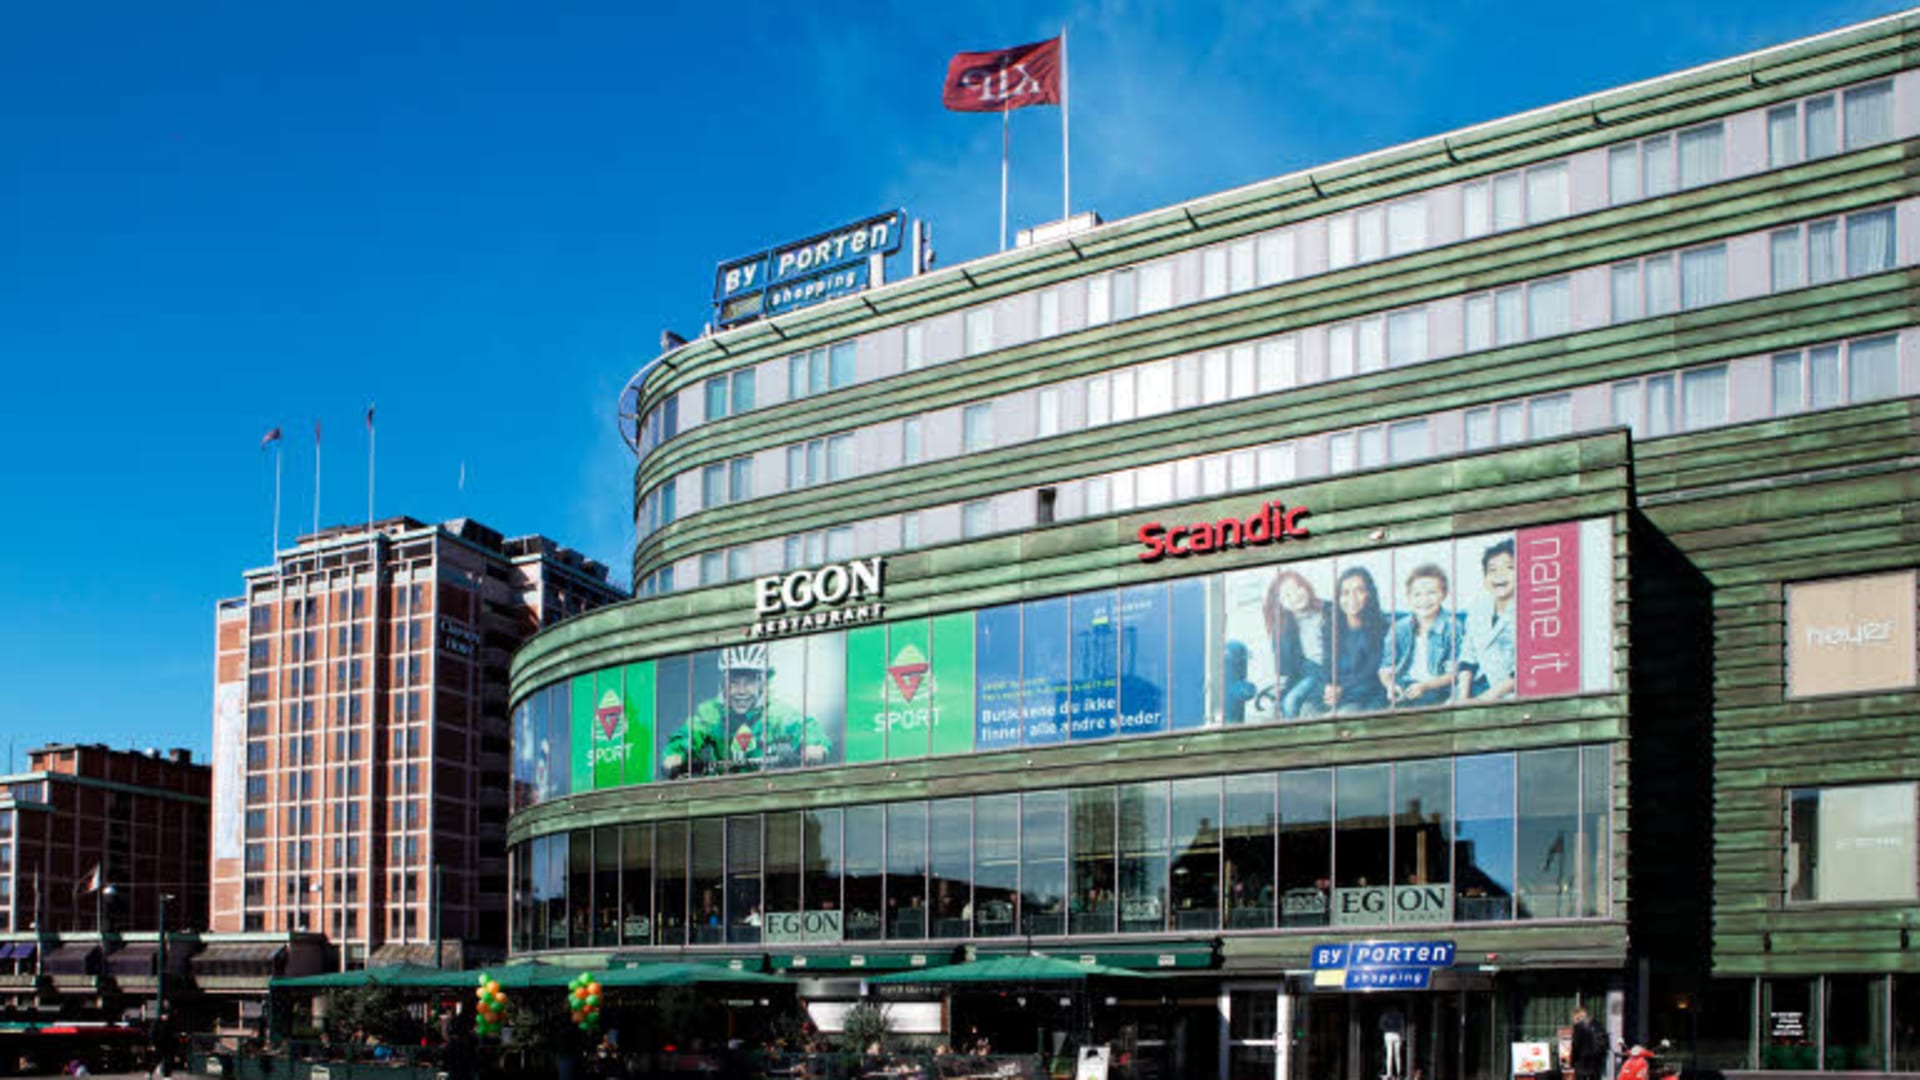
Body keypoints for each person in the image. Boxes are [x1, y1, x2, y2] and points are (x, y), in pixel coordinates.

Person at [661, 644, 831, 778]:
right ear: (723, 684)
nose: (741, 691)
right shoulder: (711, 713)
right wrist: (676, 754)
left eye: (749, 682)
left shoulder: (774, 713)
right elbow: (690, 733)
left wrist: (813, 745)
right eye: (734, 683)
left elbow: (802, 726)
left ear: (761, 684)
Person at [1380, 562, 1459, 709]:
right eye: (1417, 594)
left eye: (1431, 593)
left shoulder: (1452, 627)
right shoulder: (1399, 628)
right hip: (1405, 686)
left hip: (1438, 688)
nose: (1424, 600)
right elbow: (1385, 667)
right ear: (1409, 597)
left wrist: (1425, 687)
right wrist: (1390, 685)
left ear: (1444, 594)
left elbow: (1455, 673)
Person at [1264, 569, 1332, 719]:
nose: (1295, 596)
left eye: (1298, 588)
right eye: (1287, 595)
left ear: (1306, 586)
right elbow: (1285, 668)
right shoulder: (1284, 626)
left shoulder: (1328, 609)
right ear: (1280, 604)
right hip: (1310, 673)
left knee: (1291, 701)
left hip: (1333, 670)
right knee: (1288, 703)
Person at [1456, 539, 1518, 702]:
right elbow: (1467, 655)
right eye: (1492, 570)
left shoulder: (1532, 611)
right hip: (1476, 687)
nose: (1499, 575)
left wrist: (1480, 701)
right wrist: (1463, 698)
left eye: (1509, 568)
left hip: (1510, 694)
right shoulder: (1478, 608)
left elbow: (1524, 670)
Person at [1325, 567, 1390, 714]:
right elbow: (1326, 664)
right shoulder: (1331, 627)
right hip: (1337, 695)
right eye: (1345, 593)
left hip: (1367, 695)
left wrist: (1342, 689)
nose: (1352, 598)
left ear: (1369, 594)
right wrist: (1329, 686)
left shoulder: (1382, 627)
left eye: (1359, 591)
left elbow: (1372, 672)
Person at [1571, 1007, 1607, 1080]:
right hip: (1596, 1061)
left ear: (1577, 1017)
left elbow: (1576, 1045)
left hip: (1582, 1061)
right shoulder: (1598, 1025)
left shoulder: (1578, 1027)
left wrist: (1572, 1061)